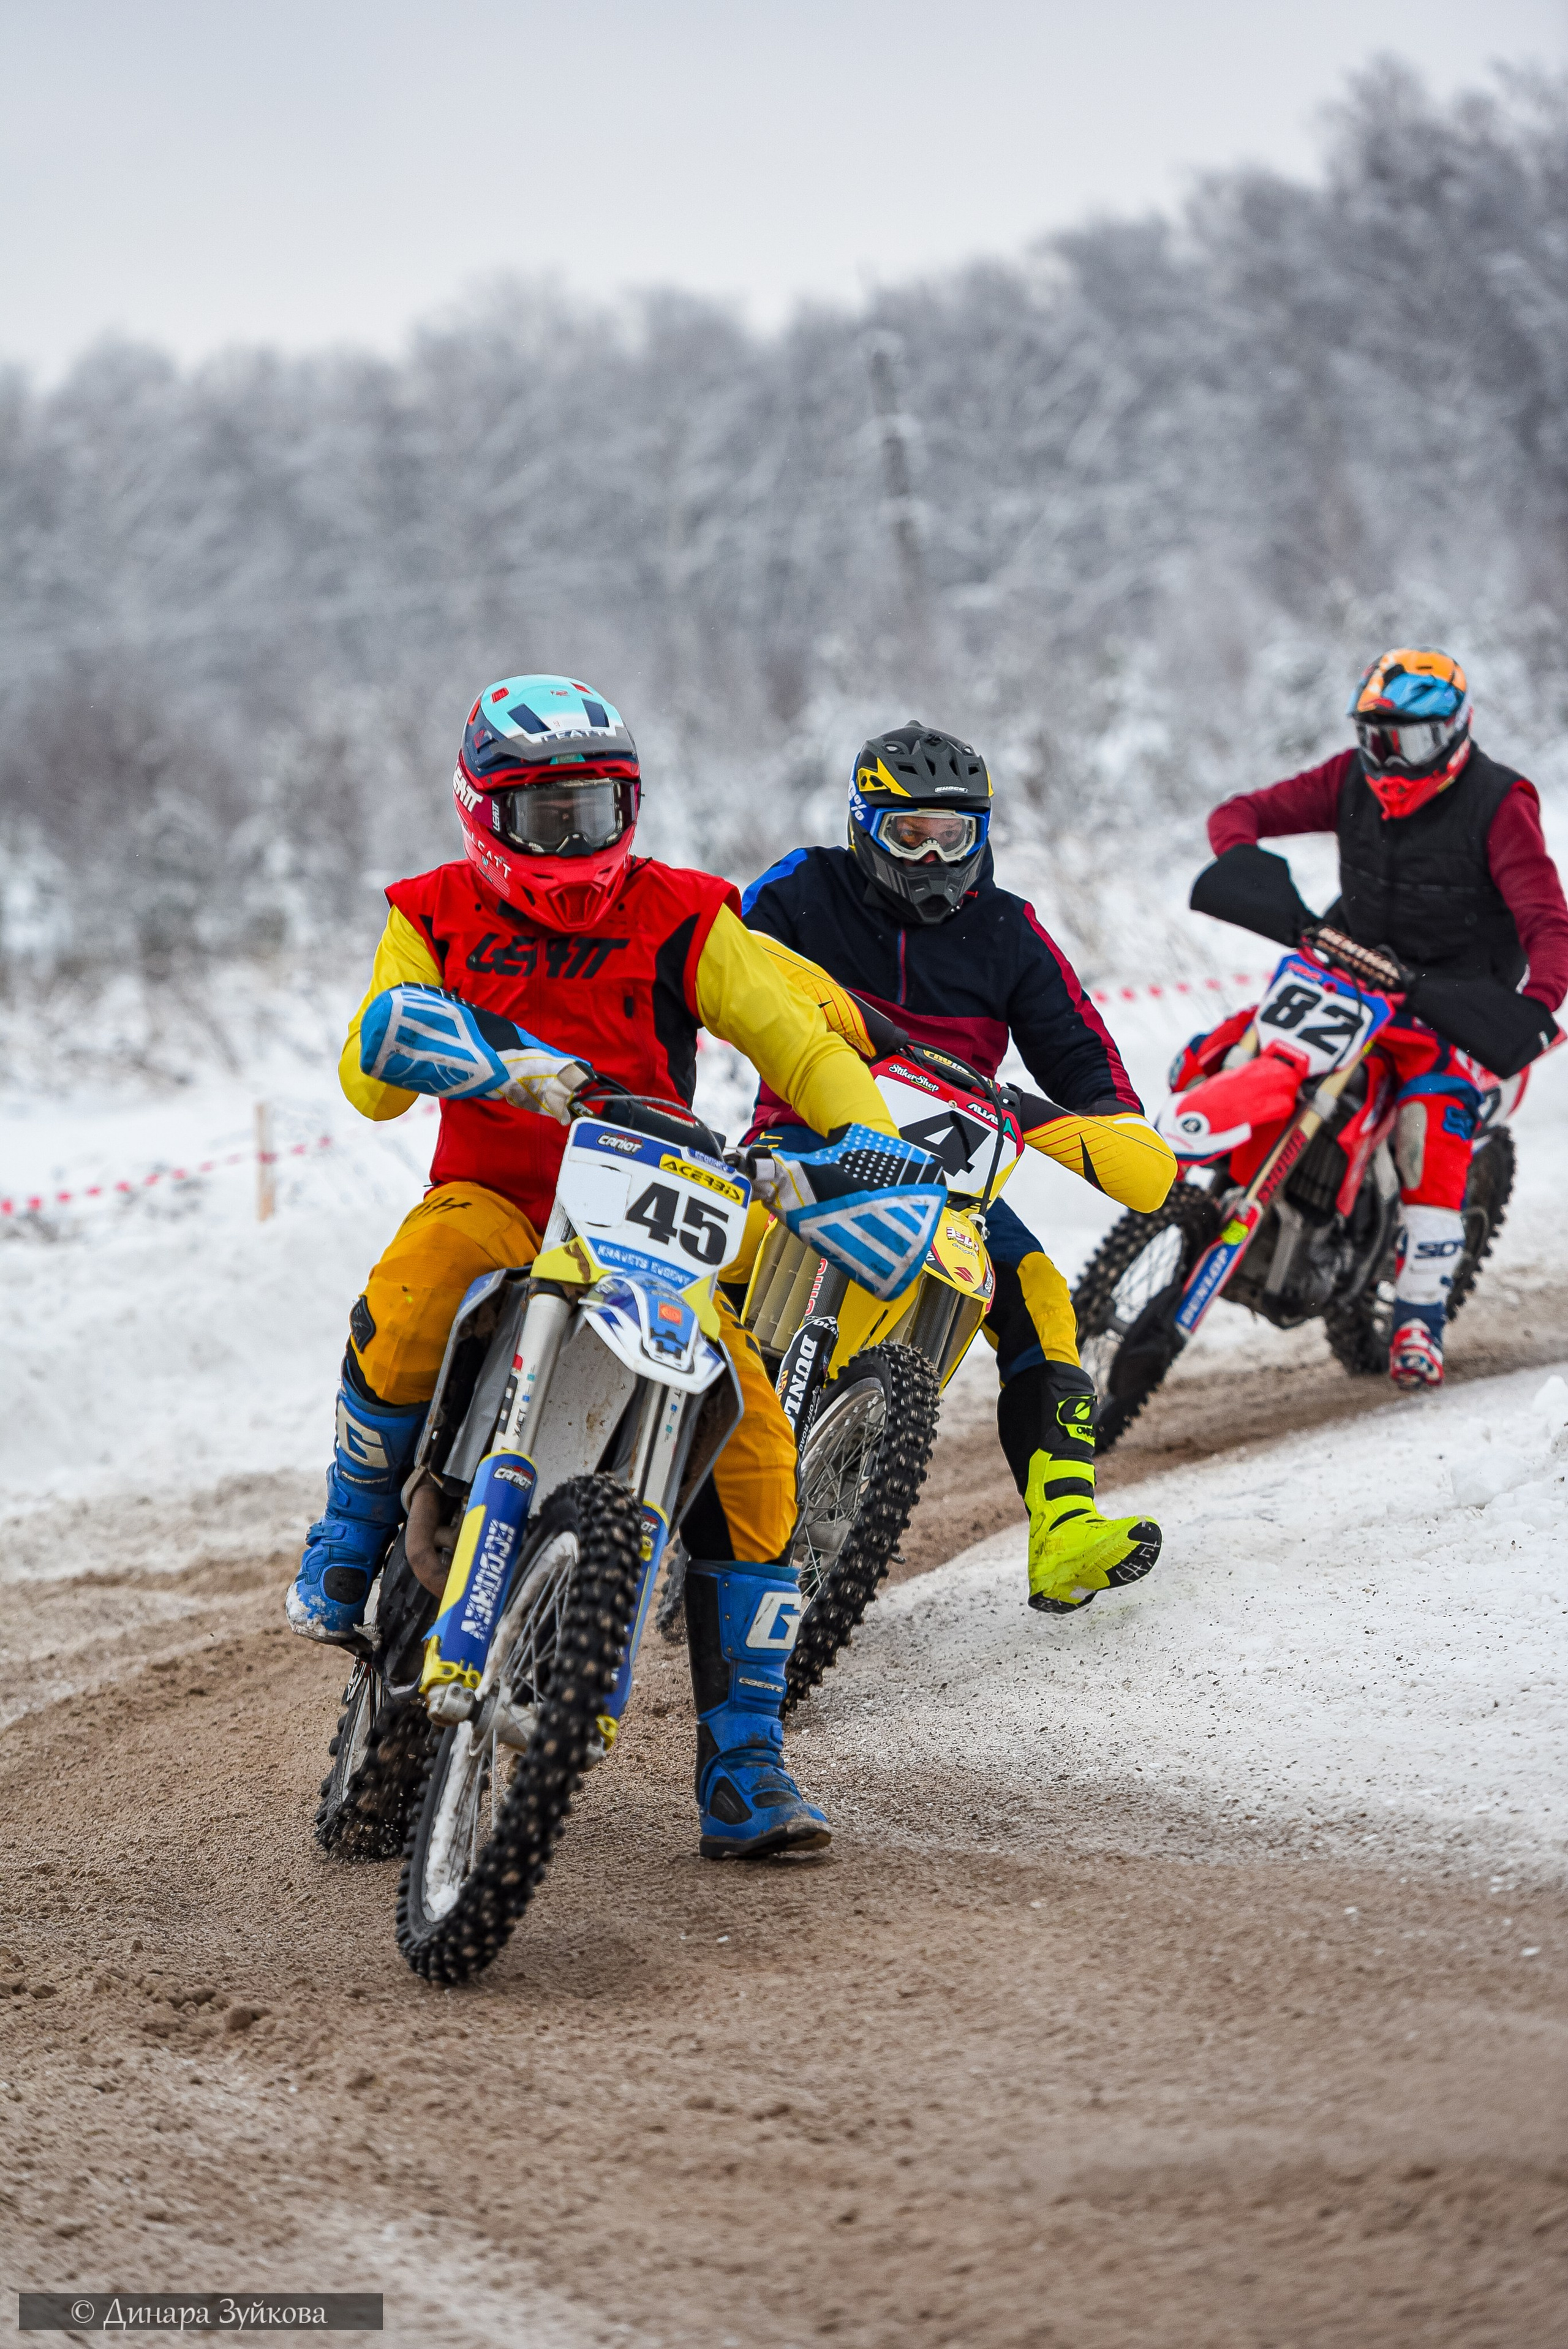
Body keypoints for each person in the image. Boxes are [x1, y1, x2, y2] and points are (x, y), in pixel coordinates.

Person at [286, 673, 924, 1862]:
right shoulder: (427, 911)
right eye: (544, 816)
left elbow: (790, 1032)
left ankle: (744, 1761)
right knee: (415, 1291)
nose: (572, 837)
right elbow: (372, 1073)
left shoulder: (684, 912)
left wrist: (865, 1144)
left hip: (650, 1211)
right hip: (499, 1193)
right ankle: (346, 1533)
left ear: (627, 803)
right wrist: (481, 1060)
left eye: (593, 807)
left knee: (753, 1441)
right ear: (486, 815)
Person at [739, 721, 1178, 1616]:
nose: (935, 854)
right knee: (714, 1252)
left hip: (953, 1174)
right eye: (911, 834)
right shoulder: (801, 886)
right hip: (807, 1136)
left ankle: (1064, 1525)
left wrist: (1111, 1122)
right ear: (866, 827)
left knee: (1041, 1293)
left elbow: (1083, 1055)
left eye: (955, 835)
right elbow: (723, 962)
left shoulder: (1008, 928)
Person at [1206, 646, 1568, 1389]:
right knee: (1233, 1045)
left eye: (1404, 738)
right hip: (1348, 978)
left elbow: (1545, 915)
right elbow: (1242, 810)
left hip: (1451, 1004)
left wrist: (1536, 1002)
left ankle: (1417, 1321)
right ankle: (1204, 1186)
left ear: (1452, 733)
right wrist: (1239, 860)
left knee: (1426, 1126)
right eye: (1374, 734)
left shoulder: (1501, 802)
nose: (1386, 755)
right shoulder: (1348, 778)